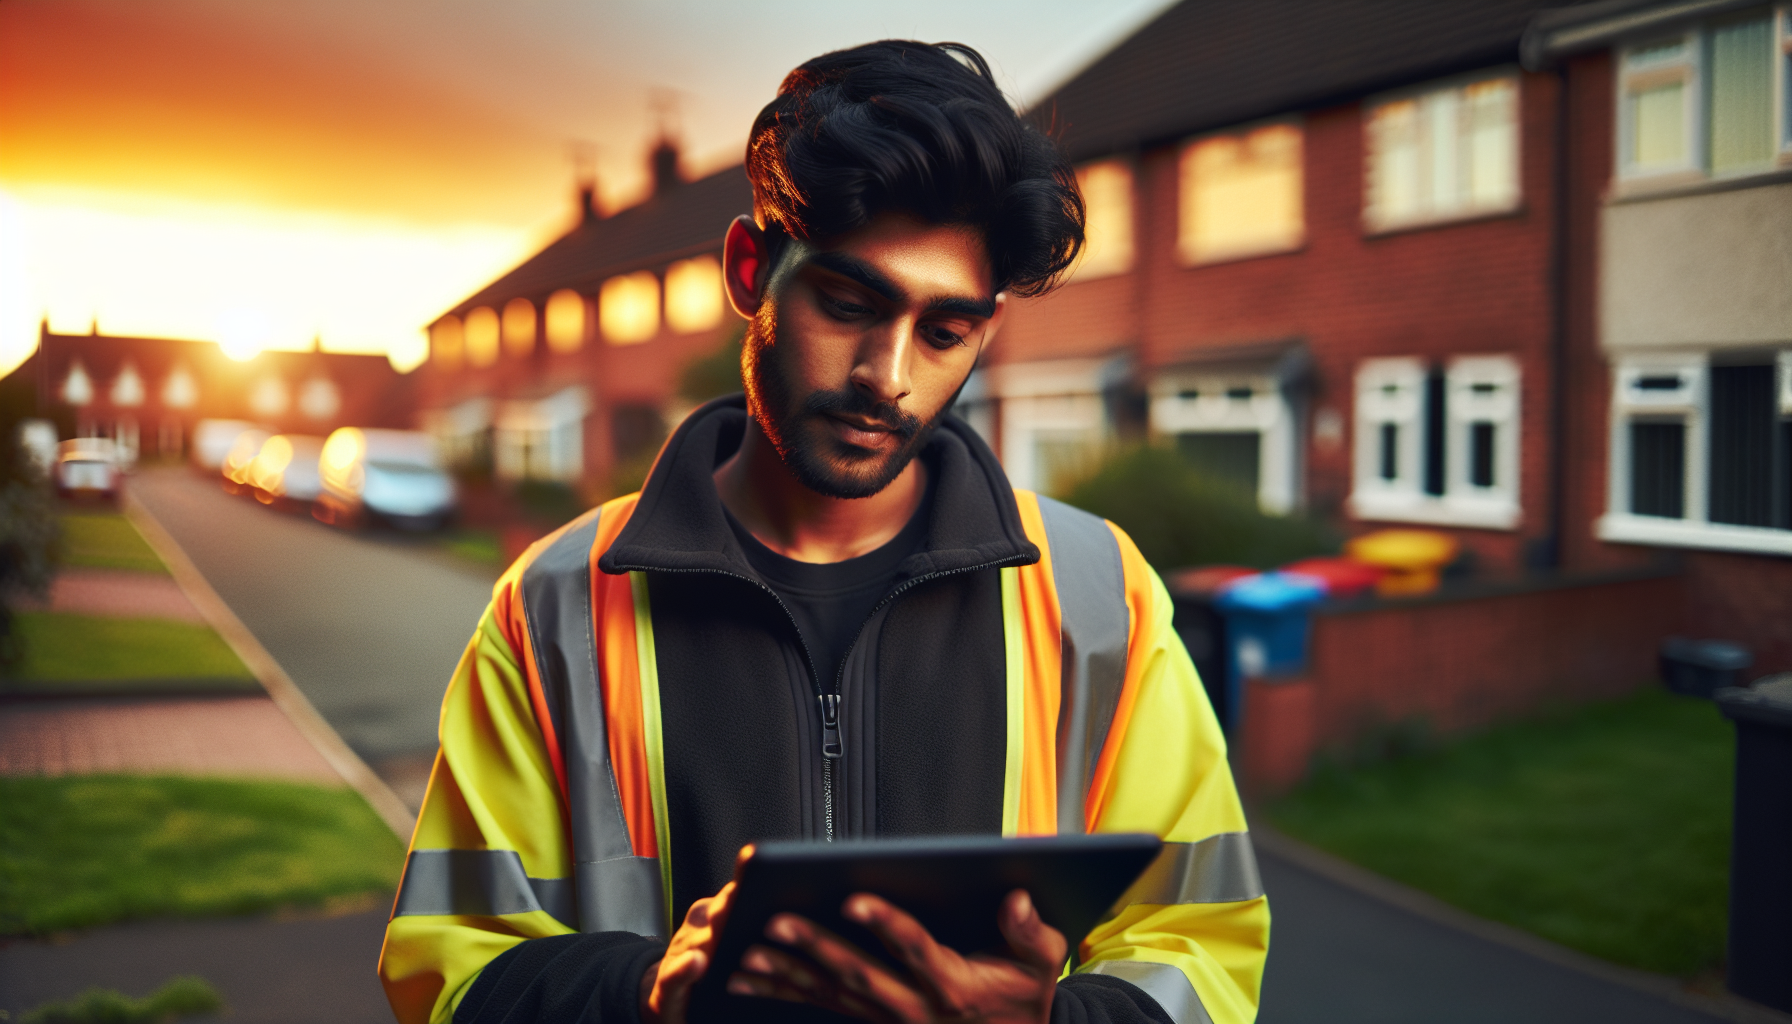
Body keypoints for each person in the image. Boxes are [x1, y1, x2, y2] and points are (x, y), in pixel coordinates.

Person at [379, 39, 1268, 1024]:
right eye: (848, 304)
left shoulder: (1104, 595)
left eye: (944, 332)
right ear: (749, 270)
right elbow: (449, 974)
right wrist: (644, 995)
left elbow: (1202, 945)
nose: (888, 376)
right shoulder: (553, 606)